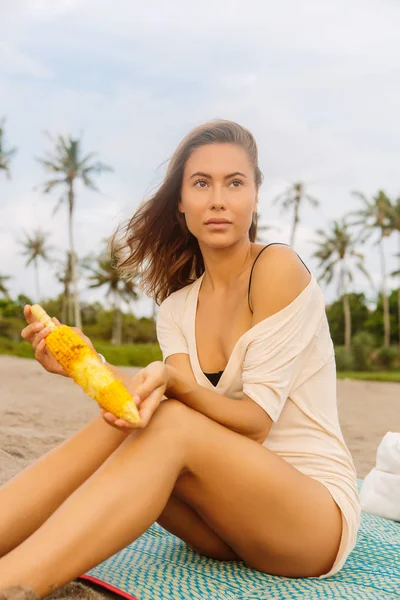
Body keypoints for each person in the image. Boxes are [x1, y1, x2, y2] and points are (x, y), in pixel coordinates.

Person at [0, 120, 360, 598]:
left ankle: (14, 583)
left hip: (311, 519)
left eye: (235, 183)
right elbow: (167, 399)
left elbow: (253, 424)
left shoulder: (277, 269)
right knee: (136, 418)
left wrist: (173, 384)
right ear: (181, 205)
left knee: (167, 419)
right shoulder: (176, 308)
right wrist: (85, 365)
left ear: (255, 198)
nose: (218, 199)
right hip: (225, 521)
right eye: (201, 183)